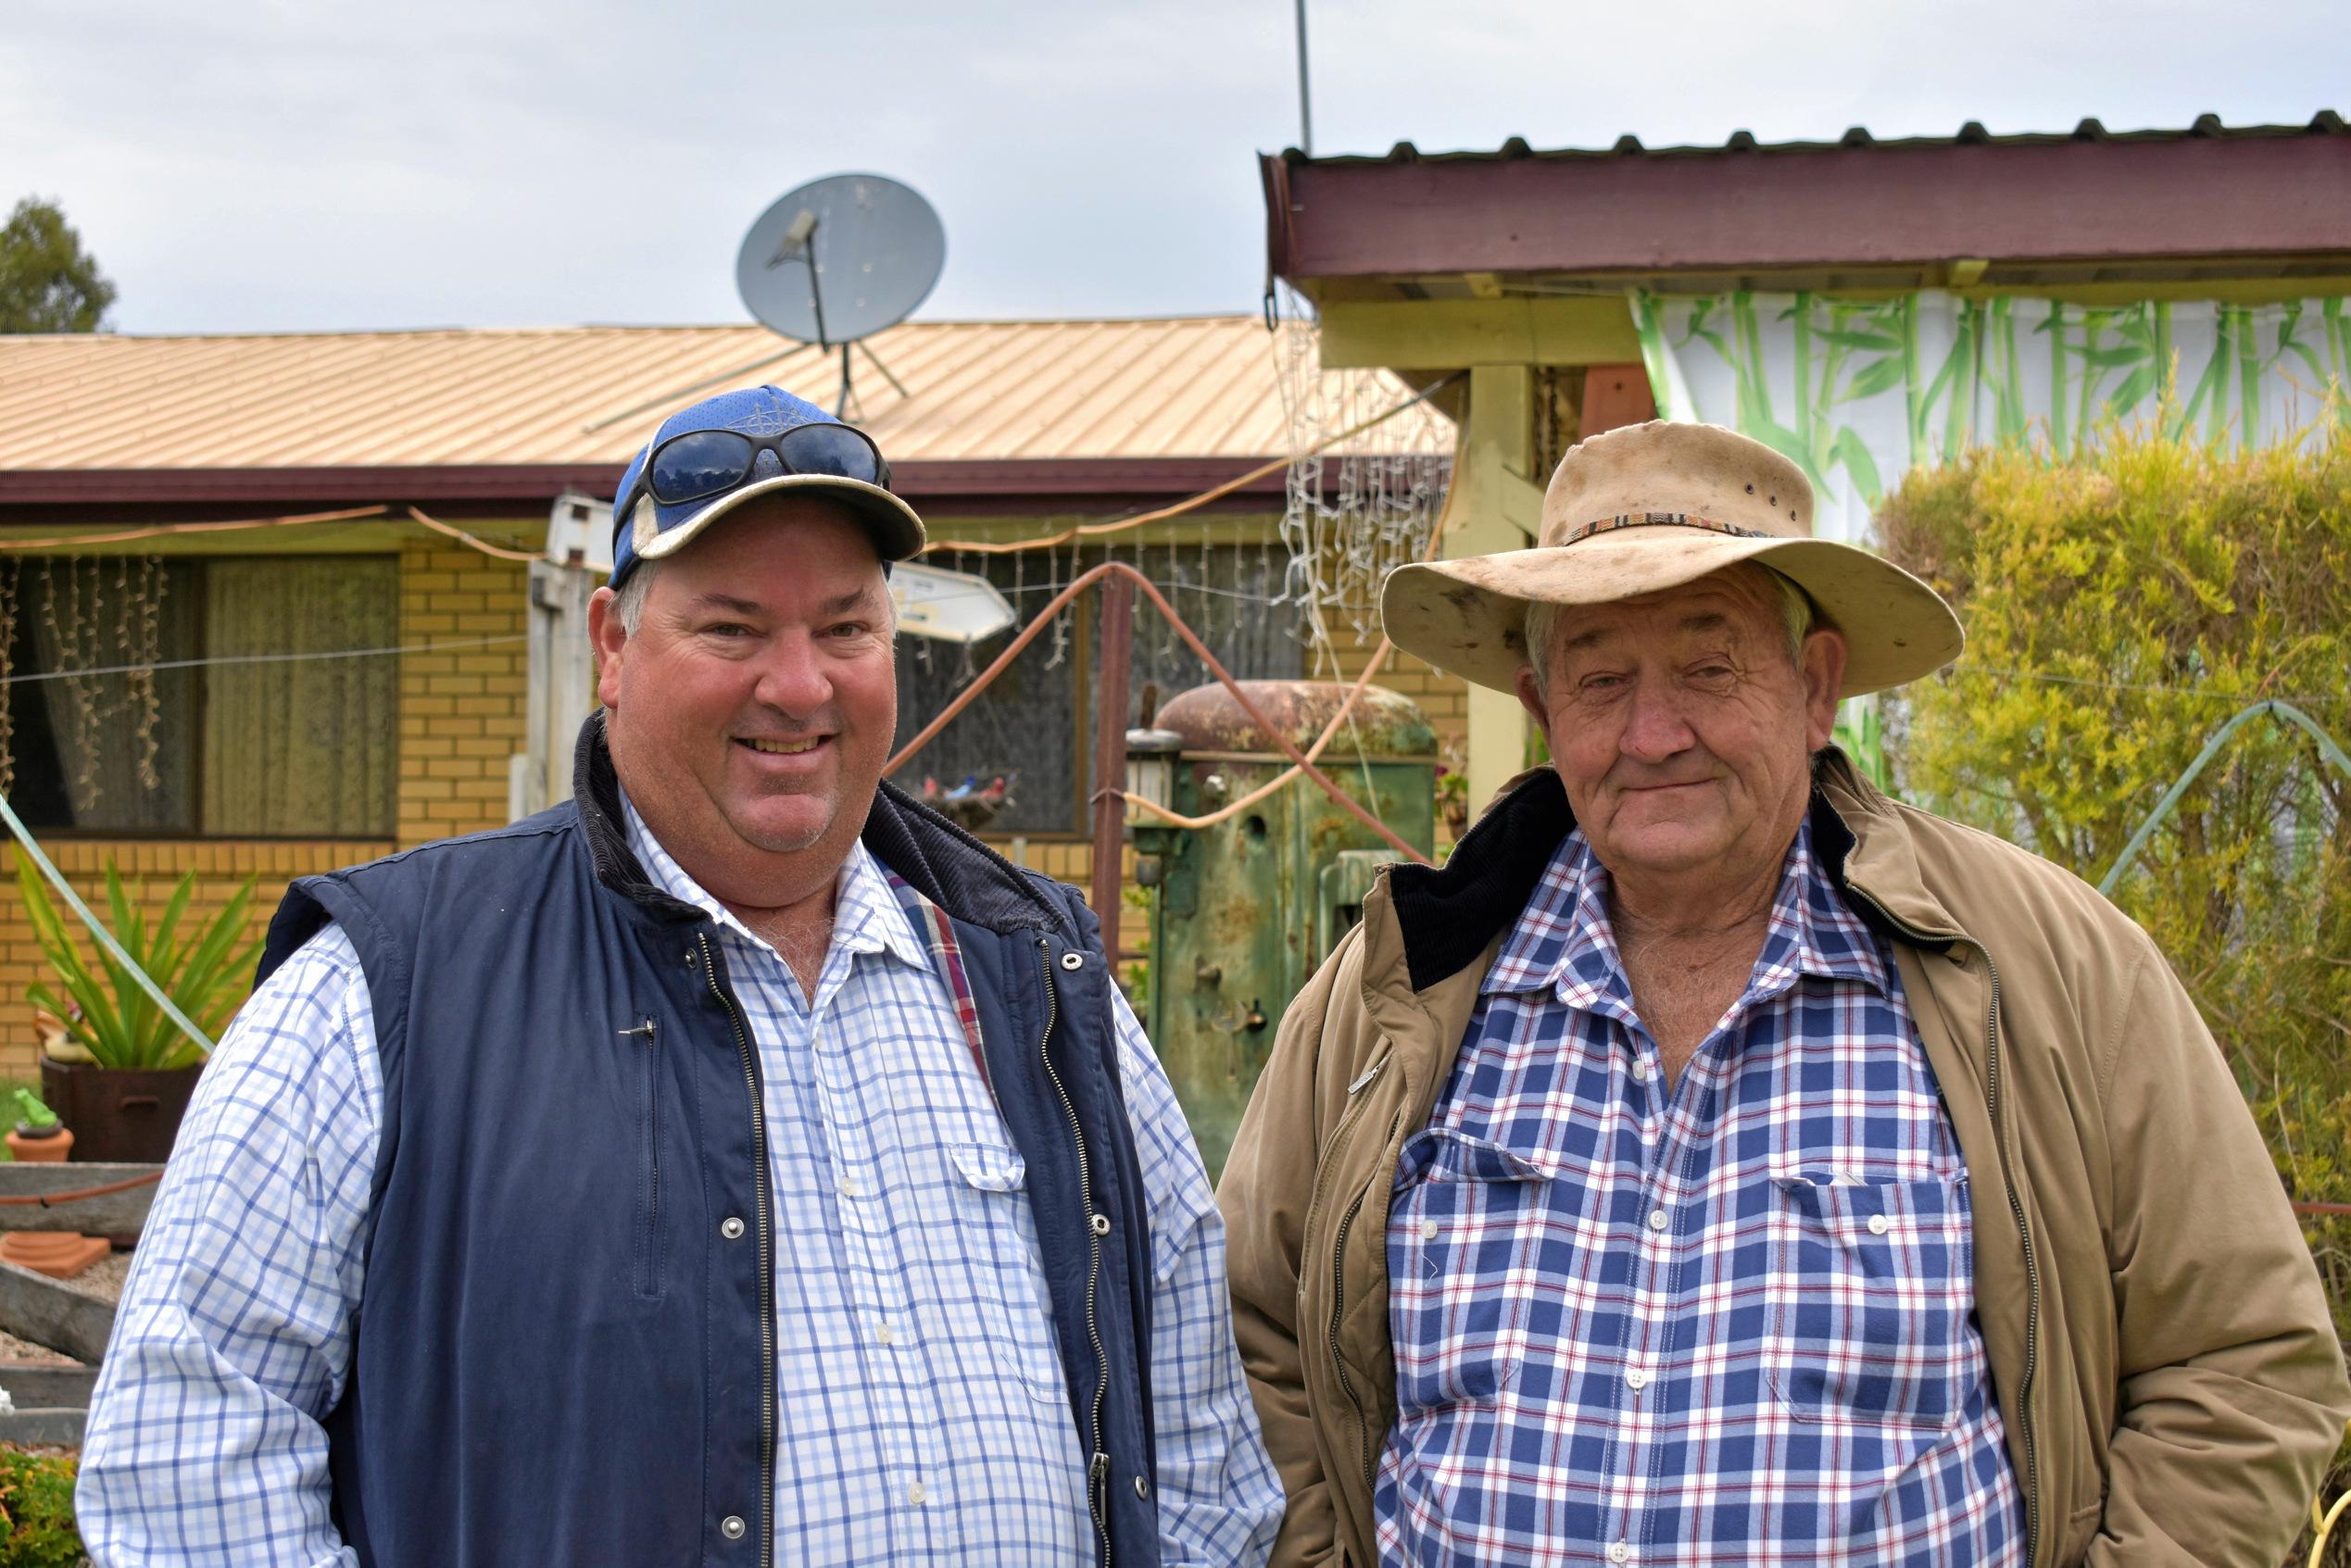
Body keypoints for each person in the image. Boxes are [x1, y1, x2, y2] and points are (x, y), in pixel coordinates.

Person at [79, 384, 1284, 1566]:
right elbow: (188, 1460)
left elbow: (1197, 1454)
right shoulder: (387, 989)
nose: (799, 686)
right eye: (733, 628)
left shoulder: (1041, 982)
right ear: (613, 646)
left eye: (846, 628)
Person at [1218, 419, 2351, 1567]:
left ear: (1816, 691)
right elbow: (1247, 1340)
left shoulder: (2048, 970)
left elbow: (2243, 1357)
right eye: (1601, 679)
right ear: (1543, 706)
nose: (1654, 734)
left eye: (1710, 668)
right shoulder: (1398, 990)